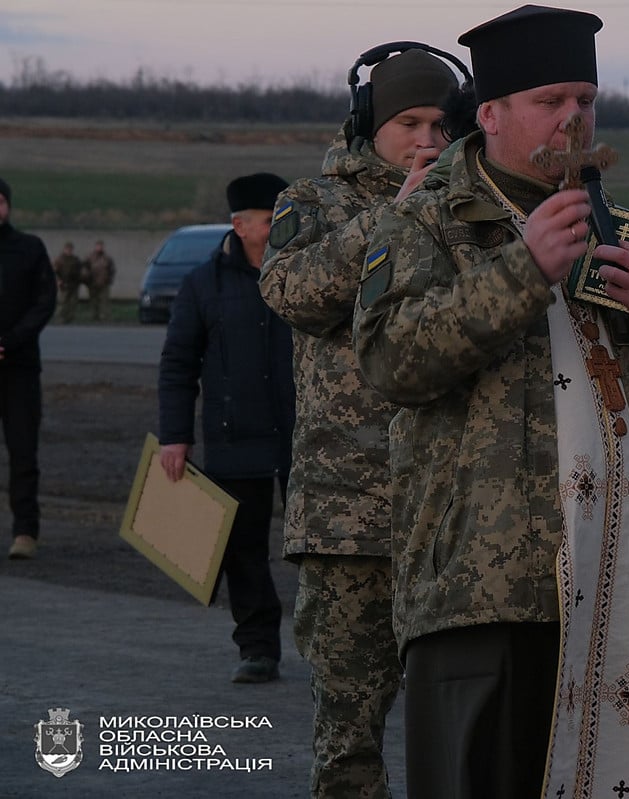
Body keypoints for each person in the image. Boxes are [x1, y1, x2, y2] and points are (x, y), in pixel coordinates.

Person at [353, 7, 629, 798]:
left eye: (586, 99)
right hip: (489, 588)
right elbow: (391, 361)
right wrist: (522, 272)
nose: (574, 117)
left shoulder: (615, 223)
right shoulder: (426, 220)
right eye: (551, 98)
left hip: (627, 574)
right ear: (490, 114)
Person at [259, 45, 471, 797]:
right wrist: (396, 215)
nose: (427, 139)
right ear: (367, 125)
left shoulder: (469, 207)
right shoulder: (313, 204)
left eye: (441, 124)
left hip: (454, 514)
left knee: (463, 729)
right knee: (349, 736)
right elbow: (292, 291)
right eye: (408, 121)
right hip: (350, 518)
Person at [158, 172, 295, 684]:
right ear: (240, 225)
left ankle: (338, 653)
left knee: (326, 550)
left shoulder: (307, 273)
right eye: (271, 218)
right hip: (235, 435)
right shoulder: (202, 285)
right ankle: (258, 648)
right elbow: (177, 363)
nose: (284, 225)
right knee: (243, 550)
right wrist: (175, 436)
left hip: (306, 436)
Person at [0, 178, 57, 561]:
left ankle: (25, 531)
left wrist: (10, 341)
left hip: (18, 368)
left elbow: (44, 300)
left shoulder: (29, 249)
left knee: (23, 452)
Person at [52, 241, 84, 324]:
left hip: (74, 284)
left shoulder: (76, 259)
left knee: (73, 303)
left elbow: (80, 270)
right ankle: (59, 319)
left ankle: (70, 319)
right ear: (64, 249)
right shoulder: (59, 259)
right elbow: (54, 271)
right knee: (62, 303)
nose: (69, 251)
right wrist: (58, 281)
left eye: (70, 249)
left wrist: (81, 279)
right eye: (67, 249)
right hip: (63, 283)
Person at [84, 239, 116, 321]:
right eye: (98, 246)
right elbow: (85, 268)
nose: (100, 248)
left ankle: (105, 317)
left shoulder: (107, 258)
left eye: (101, 246)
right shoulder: (90, 257)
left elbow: (112, 270)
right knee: (93, 301)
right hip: (92, 283)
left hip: (104, 283)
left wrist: (109, 279)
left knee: (104, 301)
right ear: (95, 247)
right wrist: (87, 279)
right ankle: (93, 317)